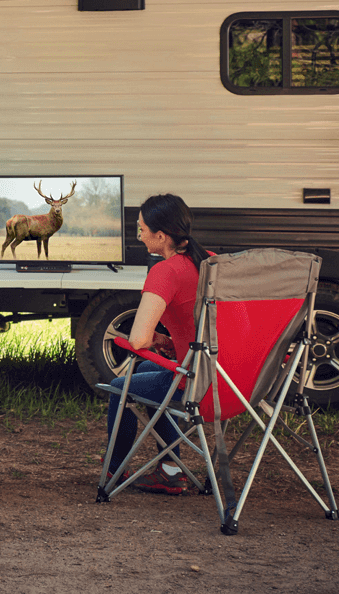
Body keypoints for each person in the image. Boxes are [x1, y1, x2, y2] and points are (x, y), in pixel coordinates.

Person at [102, 192, 214, 494]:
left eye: (142, 229)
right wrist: (168, 340)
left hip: (197, 384)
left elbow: (137, 339)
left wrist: (149, 339)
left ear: (161, 235)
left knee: (121, 386)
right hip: (233, 379)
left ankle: (114, 470)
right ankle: (170, 469)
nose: (139, 236)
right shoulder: (212, 262)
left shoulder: (165, 271)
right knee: (151, 376)